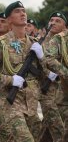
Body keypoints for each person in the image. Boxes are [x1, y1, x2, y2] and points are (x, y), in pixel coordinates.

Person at [0, 1, 44, 142]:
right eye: (18, 11)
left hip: (32, 106)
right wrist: (10, 80)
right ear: (9, 19)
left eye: (24, 11)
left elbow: (47, 74)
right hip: (11, 105)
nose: (23, 13)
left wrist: (42, 58)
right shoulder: (0, 43)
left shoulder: (34, 43)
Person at [38, 12, 66, 142]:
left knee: (47, 130)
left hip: (62, 91)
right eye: (51, 20)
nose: (53, 23)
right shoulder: (40, 41)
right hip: (46, 90)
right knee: (59, 129)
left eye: (58, 21)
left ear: (64, 26)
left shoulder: (64, 41)